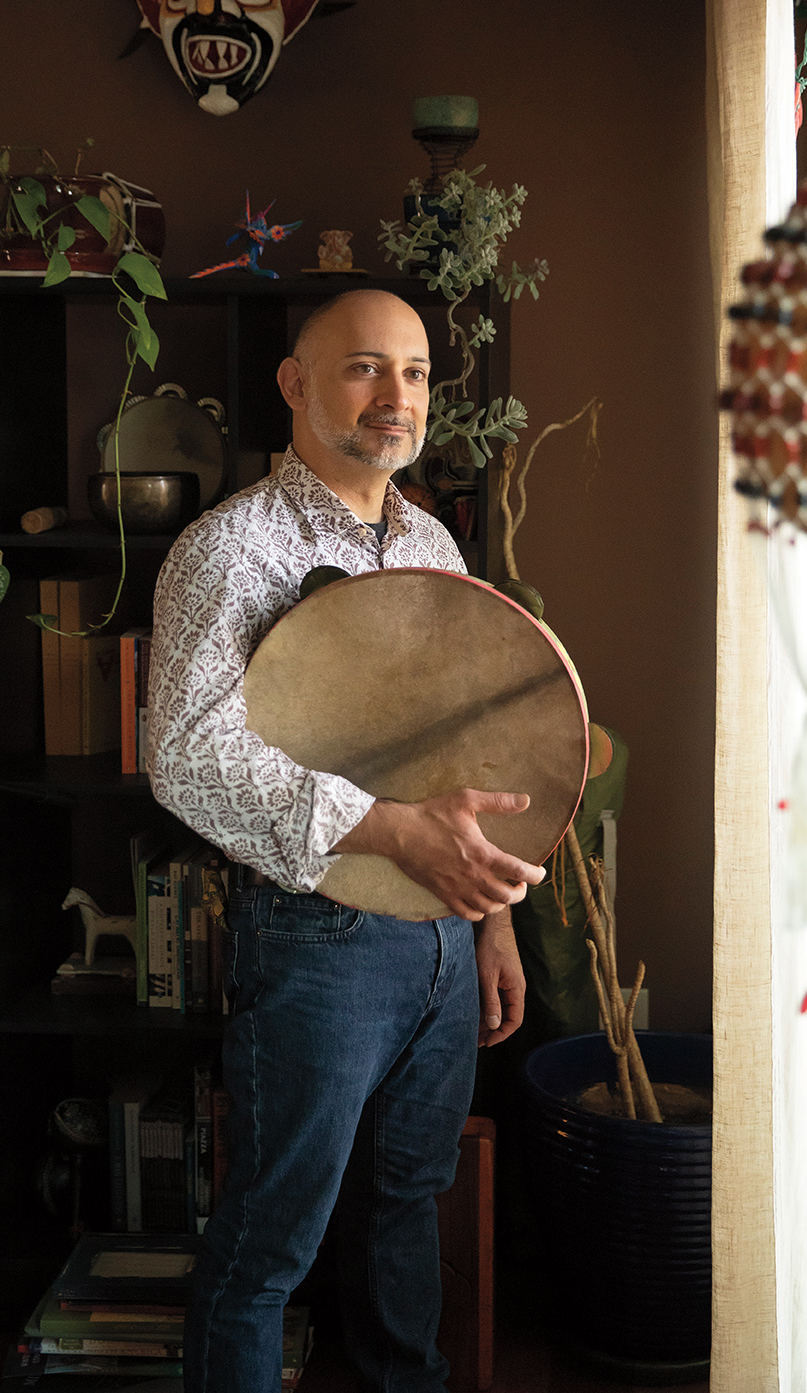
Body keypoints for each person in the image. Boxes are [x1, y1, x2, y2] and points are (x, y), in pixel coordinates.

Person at [147, 288, 545, 1393]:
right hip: (315, 944)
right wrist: (382, 831)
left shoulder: (428, 541)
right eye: (365, 368)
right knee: (271, 1245)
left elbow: (477, 733)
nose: (396, 397)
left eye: (414, 373)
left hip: (440, 950)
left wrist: (493, 923)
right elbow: (185, 754)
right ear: (295, 384)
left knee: (404, 1220)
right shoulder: (225, 551)